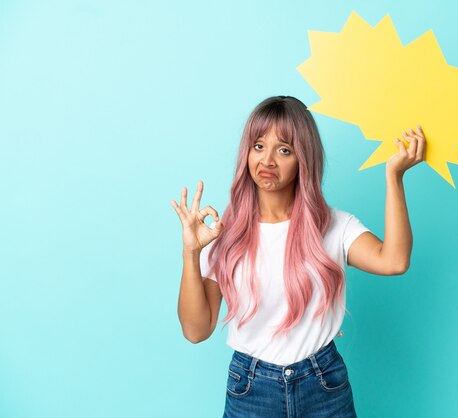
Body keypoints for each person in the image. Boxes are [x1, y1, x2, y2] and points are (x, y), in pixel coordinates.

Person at [171, 95, 425, 417]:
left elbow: (394, 260)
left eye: (284, 149)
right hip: (250, 388)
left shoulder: (334, 226)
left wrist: (394, 176)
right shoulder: (226, 234)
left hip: (323, 385)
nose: (268, 161)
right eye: (258, 146)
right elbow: (196, 330)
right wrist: (192, 252)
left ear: (303, 159)